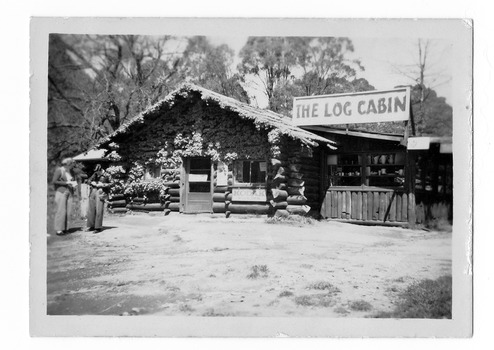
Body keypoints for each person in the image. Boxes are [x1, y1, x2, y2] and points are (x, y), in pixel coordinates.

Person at [52, 157, 77, 236]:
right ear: (68, 164)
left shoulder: (71, 171)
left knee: (68, 211)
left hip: (70, 192)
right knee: (61, 211)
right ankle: (59, 230)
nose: (73, 166)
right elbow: (54, 181)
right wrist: (66, 183)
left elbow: (72, 180)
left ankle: (66, 228)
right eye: (72, 164)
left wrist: (74, 183)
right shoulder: (60, 170)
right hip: (61, 192)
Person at [85, 165, 109, 233]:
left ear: (101, 170)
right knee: (91, 209)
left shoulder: (106, 175)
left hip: (101, 192)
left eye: (98, 172)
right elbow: (88, 180)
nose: (97, 173)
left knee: (99, 209)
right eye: (96, 172)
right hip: (93, 191)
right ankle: (91, 226)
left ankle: (97, 227)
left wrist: (103, 185)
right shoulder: (95, 174)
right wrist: (91, 182)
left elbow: (112, 183)